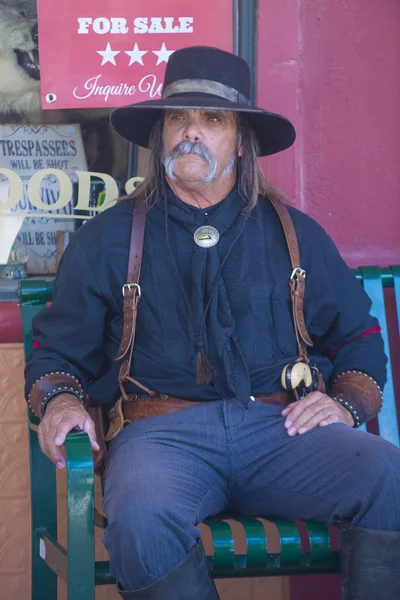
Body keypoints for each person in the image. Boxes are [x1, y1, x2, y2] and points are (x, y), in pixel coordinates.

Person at [25, 46, 400, 600]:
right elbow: (58, 352)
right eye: (178, 118)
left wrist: (345, 404)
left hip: (283, 432)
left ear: (242, 142)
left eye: (213, 119)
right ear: (160, 135)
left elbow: (359, 339)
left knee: (388, 477)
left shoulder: (293, 233)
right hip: (160, 439)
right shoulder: (107, 237)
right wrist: (60, 401)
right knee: (140, 514)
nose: (191, 133)